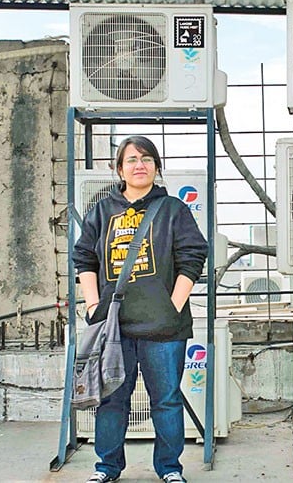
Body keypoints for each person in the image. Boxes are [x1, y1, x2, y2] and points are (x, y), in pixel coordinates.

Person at [72, 136, 208, 483]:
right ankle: (107, 468)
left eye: (147, 159)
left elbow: (193, 257)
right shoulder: (102, 211)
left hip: (164, 328)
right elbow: (84, 258)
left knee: (166, 401)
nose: (139, 165)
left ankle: (169, 468)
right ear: (119, 169)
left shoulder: (173, 209)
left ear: (156, 167)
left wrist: (173, 306)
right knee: (112, 402)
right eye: (131, 159)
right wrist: (93, 305)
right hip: (114, 328)